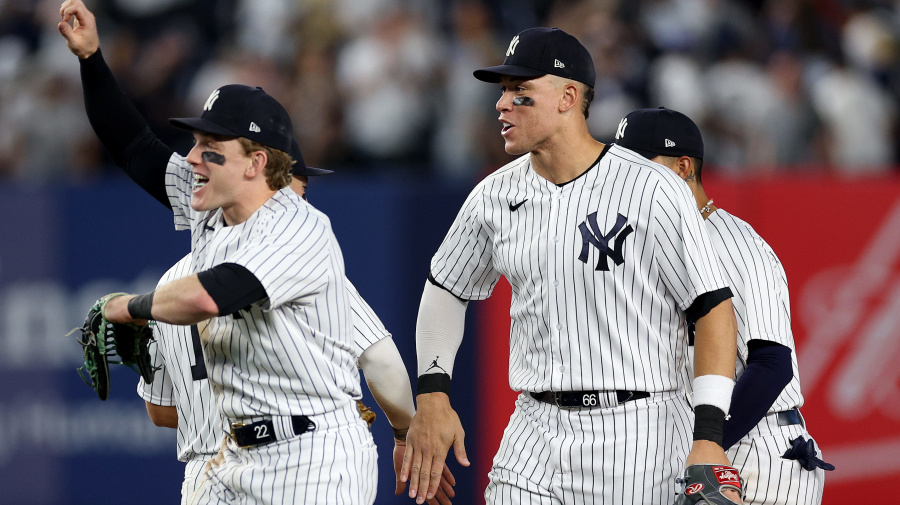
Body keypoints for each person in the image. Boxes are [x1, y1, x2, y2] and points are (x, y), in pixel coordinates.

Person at [400, 27, 742, 505]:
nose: (502, 105)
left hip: (638, 431)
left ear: (567, 96)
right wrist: (433, 394)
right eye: (502, 93)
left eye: (521, 93)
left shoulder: (650, 188)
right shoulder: (494, 196)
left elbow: (712, 311)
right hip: (533, 432)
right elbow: (445, 289)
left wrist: (708, 435)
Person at [59, 1, 375, 503]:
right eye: (197, 142)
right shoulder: (215, 204)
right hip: (237, 454)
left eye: (211, 147)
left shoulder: (299, 227)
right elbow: (133, 146)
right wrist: (92, 59)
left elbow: (213, 295)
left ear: (255, 164)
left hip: (312, 451)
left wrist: (130, 306)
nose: (192, 158)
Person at [139, 146, 456, 505]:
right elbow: (382, 362)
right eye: (298, 193)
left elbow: (161, 411)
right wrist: (401, 433)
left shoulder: (167, 290)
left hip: (206, 480)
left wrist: (214, 413)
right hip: (295, 466)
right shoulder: (298, 261)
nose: (303, 208)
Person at [613, 106, 833, 505]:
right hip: (713, 445)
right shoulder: (663, 240)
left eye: (638, 167)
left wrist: (708, 444)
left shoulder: (729, 242)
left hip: (758, 454)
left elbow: (771, 364)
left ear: (682, 168)